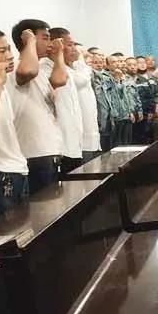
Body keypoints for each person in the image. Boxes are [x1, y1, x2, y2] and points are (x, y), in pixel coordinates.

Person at [8, 19, 66, 194]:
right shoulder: (18, 66)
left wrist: (58, 56)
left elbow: (59, 80)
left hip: (49, 148)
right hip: (35, 152)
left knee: (56, 203)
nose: (50, 43)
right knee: (43, 205)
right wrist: (30, 42)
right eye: (45, 38)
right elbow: (27, 71)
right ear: (28, 39)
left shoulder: (39, 69)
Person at [0, 28, 28, 223]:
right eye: (1, 51)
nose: (9, 56)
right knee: (3, 235)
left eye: (9, 49)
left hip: (15, 170)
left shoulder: (0, 85)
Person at [45, 28, 84, 173]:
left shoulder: (67, 69)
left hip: (73, 140)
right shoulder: (45, 68)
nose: (74, 49)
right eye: (70, 45)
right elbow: (58, 82)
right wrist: (59, 54)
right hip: (60, 144)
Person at [72, 47, 101, 162]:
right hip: (81, 130)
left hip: (92, 125)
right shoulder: (77, 73)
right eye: (85, 57)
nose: (90, 59)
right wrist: (81, 63)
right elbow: (81, 80)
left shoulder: (86, 73)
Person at [135, 56, 158, 143]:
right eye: (139, 63)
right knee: (141, 134)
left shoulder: (152, 77)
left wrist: (156, 106)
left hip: (152, 110)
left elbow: (157, 93)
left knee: (152, 134)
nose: (142, 65)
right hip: (141, 110)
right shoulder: (135, 78)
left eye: (144, 62)